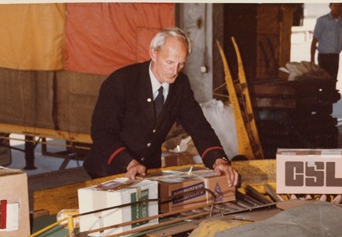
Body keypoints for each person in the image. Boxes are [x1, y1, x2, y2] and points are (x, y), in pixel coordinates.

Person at [84, 27, 238, 185]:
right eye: (169, 62)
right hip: (107, 171)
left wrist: (219, 161)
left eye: (181, 64)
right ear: (153, 53)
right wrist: (130, 163)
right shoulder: (121, 81)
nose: (174, 71)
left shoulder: (181, 85)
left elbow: (199, 127)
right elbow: (102, 133)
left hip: (148, 172)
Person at [310, 3, 342, 82]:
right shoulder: (322, 20)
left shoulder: (339, 21)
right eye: (335, 5)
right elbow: (314, 41)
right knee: (324, 83)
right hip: (325, 58)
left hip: (335, 57)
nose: (338, 8)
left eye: (340, 6)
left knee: (333, 82)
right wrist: (312, 60)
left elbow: (341, 42)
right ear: (330, 6)